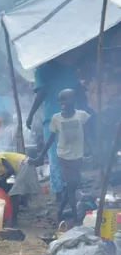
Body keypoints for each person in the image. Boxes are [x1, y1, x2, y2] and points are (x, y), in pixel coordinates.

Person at [27, 57, 81, 210]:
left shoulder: (41, 71)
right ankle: (72, 194)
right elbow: (78, 91)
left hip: (53, 118)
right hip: (73, 118)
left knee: (56, 157)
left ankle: (60, 197)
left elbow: (42, 92)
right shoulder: (68, 69)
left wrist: (31, 114)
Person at [35, 89, 90, 224]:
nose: (62, 102)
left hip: (78, 156)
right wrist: (41, 155)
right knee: (71, 185)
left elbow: (88, 134)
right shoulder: (56, 118)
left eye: (65, 99)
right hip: (63, 157)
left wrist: (93, 150)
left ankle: (60, 211)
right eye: (60, 100)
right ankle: (76, 221)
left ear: (73, 100)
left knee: (72, 186)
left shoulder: (82, 116)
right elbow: (51, 139)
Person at [0, 147, 40, 228]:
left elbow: (10, 171)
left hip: (26, 165)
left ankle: (13, 221)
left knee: (14, 194)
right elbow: (3, 180)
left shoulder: (0, 157)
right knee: (14, 192)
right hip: (25, 166)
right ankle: (21, 207)